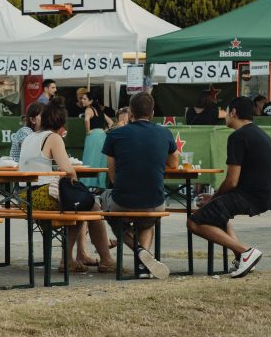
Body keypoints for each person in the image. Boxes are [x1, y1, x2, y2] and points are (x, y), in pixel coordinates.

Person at [18, 97, 113, 273]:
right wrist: (77, 185)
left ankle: (69, 259)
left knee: (78, 205)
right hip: (41, 195)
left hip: (25, 195)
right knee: (91, 205)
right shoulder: (53, 138)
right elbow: (68, 171)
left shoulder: (31, 137)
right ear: (61, 122)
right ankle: (104, 259)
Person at [188, 96, 271, 278]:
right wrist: (214, 200)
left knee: (194, 222)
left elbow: (231, 182)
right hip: (264, 195)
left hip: (249, 196)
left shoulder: (238, 136)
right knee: (218, 214)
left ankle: (246, 251)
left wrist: (212, 199)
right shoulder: (259, 133)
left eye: (226, 112)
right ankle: (242, 258)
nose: (224, 116)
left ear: (233, 113)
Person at [100, 92, 176, 279]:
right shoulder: (165, 133)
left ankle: (139, 250)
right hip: (156, 200)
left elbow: (112, 172)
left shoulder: (115, 134)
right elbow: (174, 164)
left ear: (131, 112)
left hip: (123, 199)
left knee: (103, 200)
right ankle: (143, 264)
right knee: (147, 219)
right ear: (152, 113)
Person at [77, 88, 110, 190]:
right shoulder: (100, 111)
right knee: (101, 161)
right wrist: (105, 130)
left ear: (91, 101)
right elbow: (111, 123)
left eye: (85, 99)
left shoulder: (88, 109)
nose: (82, 100)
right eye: (82, 98)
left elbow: (86, 120)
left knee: (89, 160)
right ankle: (100, 186)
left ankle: (86, 186)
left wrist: (87, 131)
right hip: (102, 136)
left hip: (93, 135)